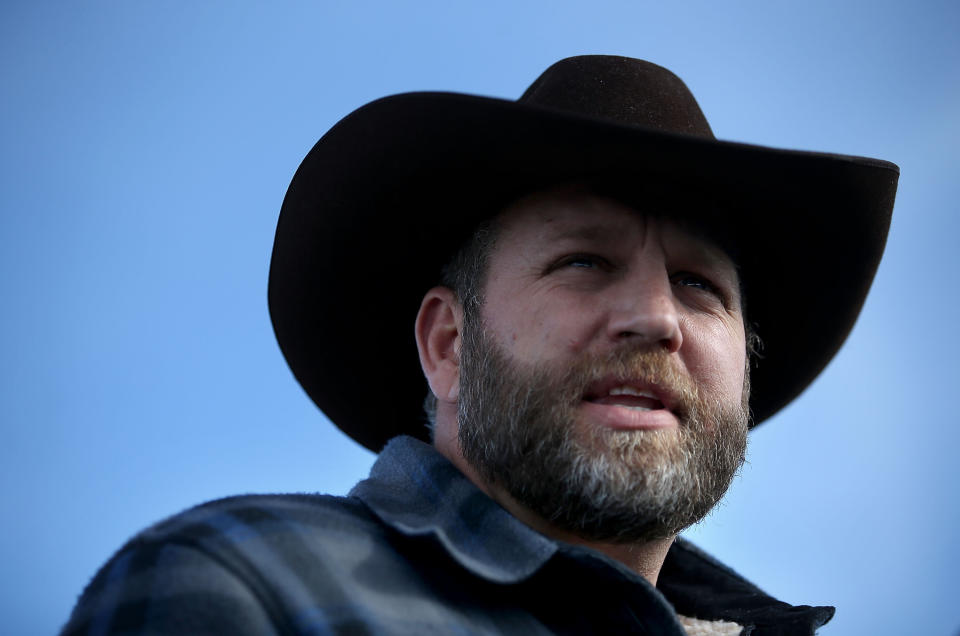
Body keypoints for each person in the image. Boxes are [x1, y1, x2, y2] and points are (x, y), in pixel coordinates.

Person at [60, 56, 898, 635]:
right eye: (584, 262)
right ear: (448, 343)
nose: (655, 318)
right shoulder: (244, 588)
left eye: (699, 285)